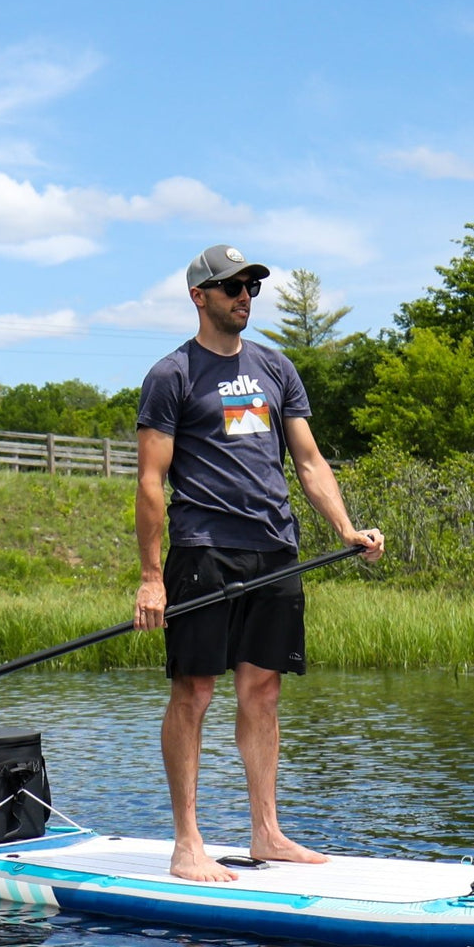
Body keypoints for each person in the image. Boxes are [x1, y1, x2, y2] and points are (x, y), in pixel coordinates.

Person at [133, 243, 384, 883]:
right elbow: (150, 482)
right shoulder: (173, 375)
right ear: (200, 296)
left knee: (264, 690)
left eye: (252, 286)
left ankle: (266, 833)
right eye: (232, 287)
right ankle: (187, 842)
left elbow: (308, 460)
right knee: (194, 690)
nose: (245, 296)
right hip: (203, 550)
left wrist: (346, 527)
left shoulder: (276, 368)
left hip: (275, 549)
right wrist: (151, 576)